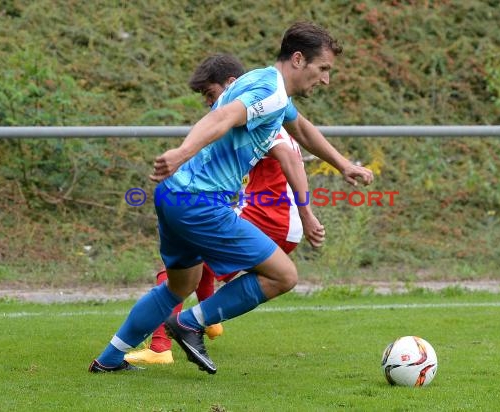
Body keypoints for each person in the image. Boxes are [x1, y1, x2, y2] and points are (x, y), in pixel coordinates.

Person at [89, 21, 373, 374]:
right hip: (201, 202)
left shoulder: (265, 84)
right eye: (324, 69)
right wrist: (182, 150)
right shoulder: (269, 93)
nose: (326, 79)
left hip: (174, 195)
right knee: (283, 275)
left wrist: (343, 164)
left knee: (180, 285)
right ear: (298, 60)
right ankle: (191, 323)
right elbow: (223, 117)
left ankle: (110, 359)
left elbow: (301, 129)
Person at [124, 53, 319, 365]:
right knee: (194, 262)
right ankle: (205, 320)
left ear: (232, 85)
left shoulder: (263, 108)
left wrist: (307, 211)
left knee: (183, 266)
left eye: (212, 95)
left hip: (273, 214)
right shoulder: (266, 107)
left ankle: (163, 345)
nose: (211, 104)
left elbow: (291, 158)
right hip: (270, 212)